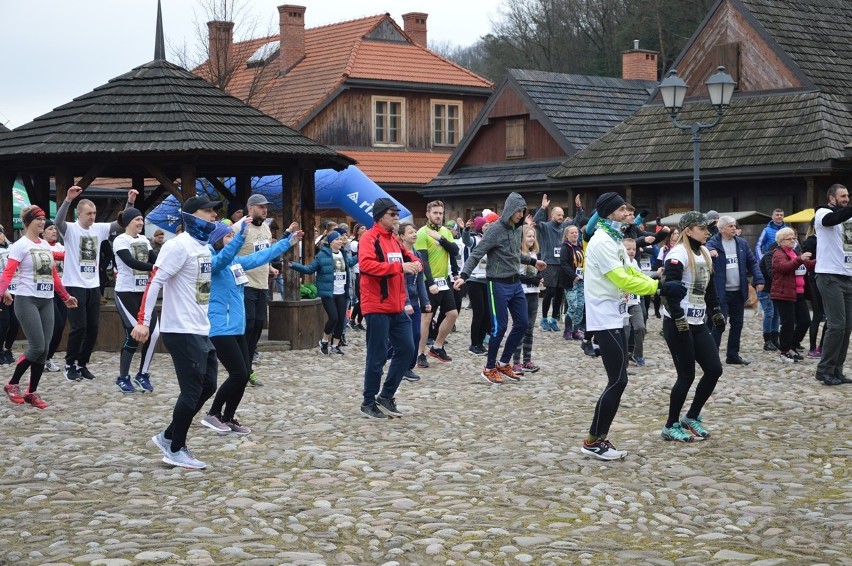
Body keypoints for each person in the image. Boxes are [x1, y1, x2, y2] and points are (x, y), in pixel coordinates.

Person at [133, 195, 226, 470]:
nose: (213, 216)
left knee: (208, 385)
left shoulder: (205, 247)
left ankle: (169, 435)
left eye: (214, 212)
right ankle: (175, 449)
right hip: (180, 328)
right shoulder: (177, 246)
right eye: (207, 211)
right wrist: (143, 321)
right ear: (191, 215)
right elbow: (156, 280)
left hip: (200, 327)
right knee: (191, 390)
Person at [200, 221, 303, 434]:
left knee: (244, 374)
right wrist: (239, 237)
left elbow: (261, 256)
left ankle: (228, 417)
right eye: (228, 236)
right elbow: (224, 257)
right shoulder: (213, 262)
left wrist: (288, 242)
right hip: (221, 329)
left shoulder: (236, 262)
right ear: (218, 240)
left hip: (237, 328)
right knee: (238, 373)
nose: (232, 239)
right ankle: (212, 414)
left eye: (232, 236)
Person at [579, 192, 658, 460]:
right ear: (610, 213)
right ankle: (592, 440)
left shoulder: (614, 239)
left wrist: (654, 277)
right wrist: (657, 287)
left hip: (617, 314)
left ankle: (600, 438)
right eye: (623, 210)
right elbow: (622, 280)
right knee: (618, 380)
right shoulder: (601, 241)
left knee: (619, 380)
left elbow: (631, 271)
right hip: (604, 316)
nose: (628, 214)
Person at [454, 192, 546, 384]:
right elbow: (477, 253)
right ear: (510, 210)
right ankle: (489, 368)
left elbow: (512, 255)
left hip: (515, 283)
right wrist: (463, 276)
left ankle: (503, 363)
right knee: (499, 327)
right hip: (497, 283)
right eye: (519, 211)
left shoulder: (516, 229)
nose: (521, 215)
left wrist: (532, 261)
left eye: (523, 211)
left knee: (522, 324)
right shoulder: (495, 230)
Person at [55, 185, 136, 381]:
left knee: (93, 328)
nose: (92, 217)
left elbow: (120, 223)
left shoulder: (99, 229)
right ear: (79, 213)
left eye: (94, 213)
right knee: (79, 327)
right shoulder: (71, 229)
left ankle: (82, 364)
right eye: (89, 213)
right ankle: (69, 364)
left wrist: (130, 202)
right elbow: (58, 221)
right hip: (74, 284)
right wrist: (68, 199)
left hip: (93, 285)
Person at [1, 206, 78, 409]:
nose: (42, 222)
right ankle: (12, 383)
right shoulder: (20, 245)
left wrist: (65, 296)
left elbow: (53, 275)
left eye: (44, 219)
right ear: (28, 222)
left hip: (46, 300)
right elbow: (8, 273)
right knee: (37, 347)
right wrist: (1, 292)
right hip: (27, 300)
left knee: (44, 351)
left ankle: (31, 392)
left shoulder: (45, 245)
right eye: (38, 219)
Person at [659, 211, 725, 442]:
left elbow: (710, 287)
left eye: (707, 228)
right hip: (679, 323)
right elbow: (668, 290)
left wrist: (715, 310)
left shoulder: (705, 252)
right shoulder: (677, 254)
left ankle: (691, 416)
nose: (708, 232)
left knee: (714, 369)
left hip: (698, 322)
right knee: (686, 375)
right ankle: (670, 425)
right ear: (688, 230)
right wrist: (677, 316)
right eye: (702, 228)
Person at [358, 198, 421, 418]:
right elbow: (366, 265)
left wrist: (415, 263)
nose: (396, 218)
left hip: (397, 306)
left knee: (407, 349)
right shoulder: (369, 238)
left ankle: (385, 396)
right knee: (377, 357)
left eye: (396, 214)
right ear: (381, 216)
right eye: (392, 214)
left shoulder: (394, 239)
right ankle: (368, 402)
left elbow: (408, 256)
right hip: (376, 306)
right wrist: (400, 267)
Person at [705, 215, 764, 365]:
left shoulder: (742, 244)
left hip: (738, 292)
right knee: (719, 323)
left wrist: (759, 279)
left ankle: (733, 355)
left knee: (737, 324)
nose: (734, 228)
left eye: (734, 226)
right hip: (721, 292)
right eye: (730, 226)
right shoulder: (714, 243)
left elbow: (752, 263)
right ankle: (711, 356)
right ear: (722, 228)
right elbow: (705, 249)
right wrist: (710, 253)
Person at [112, 208, 158, 393]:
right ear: (129, 221)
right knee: (135, 333)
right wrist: (156, 267)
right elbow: (130, 261)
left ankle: (143, 374)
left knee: (154, 334)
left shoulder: (144, 240)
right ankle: (123, 377)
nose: (140, 223)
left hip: (144, 293)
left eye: (142, 220)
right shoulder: (120, 240)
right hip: (126, 293)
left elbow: (155, 258)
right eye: (137, 219)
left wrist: (162, 264)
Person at [290, 230, 357, 355]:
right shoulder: (322, 255)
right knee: (334, 318)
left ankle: (335, 346)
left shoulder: (343, 254)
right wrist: (293, 265)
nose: (340, 241)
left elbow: (351, 263)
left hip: (342, 292)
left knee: (341, 319)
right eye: (337, 239)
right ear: (331, 242)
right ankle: (325, 340)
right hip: (328, 293)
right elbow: (309, 269)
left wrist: (362, 254)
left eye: (340, 239)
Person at [813, 184, 852, 386]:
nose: (846, 199)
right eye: (842, 196)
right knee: (836, 325)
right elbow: (832, 220)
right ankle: (824, 369)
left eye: (848, 196)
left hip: (848, 277)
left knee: (846, 327)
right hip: (829, 276)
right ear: (832, 198)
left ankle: (837, 370)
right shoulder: (822, 212)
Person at [415, 200, 459, 365]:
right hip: (428, 282)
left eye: (441, 213)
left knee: (452, 314)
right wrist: (431, 282)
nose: (438, 216)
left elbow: (454, 251)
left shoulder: (445, 232)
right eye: (435, 213)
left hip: (444, 281)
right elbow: (423, 261)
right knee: (426, 319)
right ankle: (420, 353)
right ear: (428, 214)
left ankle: (437, 346)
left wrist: (440, 238)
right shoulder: (422, 233)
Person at [533, 193, 584, 332]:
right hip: (549, 263)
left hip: (562, 264)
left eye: (562, 215)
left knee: (559, 292)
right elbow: (535, 222)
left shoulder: (565, 226)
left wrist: (579, 207)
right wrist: (543, 208)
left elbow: (578, 221)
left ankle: (554, 319)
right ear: (552, 215)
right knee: (549, 291)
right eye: (558, 215)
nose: (561, 217)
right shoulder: (546, 227)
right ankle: (544, 318)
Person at [771, 227, 815, 364]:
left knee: (805, 321)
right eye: (789, 238)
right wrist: (800, 259)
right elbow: (783, 267)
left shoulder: (794, 252)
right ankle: (784, 351)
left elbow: (808, 265)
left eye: (793, 238)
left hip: (799, 293)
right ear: (781, 241)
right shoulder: (778, 253)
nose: (792, 240)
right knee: (788, 323)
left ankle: (793, 345)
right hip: (784, 293)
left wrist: (821, 260)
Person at [397, 222, 430, 382]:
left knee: (416, 334)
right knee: (404, 337)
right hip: (403, 303)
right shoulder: (399, 255)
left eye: (415, 231)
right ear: (402, 236)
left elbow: (420, 281)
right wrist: (406, 302)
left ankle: (408, 367)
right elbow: (401, 281)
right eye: (411, 232)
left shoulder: (417, 254)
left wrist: (425, 301)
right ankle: (400, 365)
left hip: (415, 302)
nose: (415, 234)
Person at [511, 225, 543, 374]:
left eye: (533, 236)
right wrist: (534, 279)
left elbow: (538, 272)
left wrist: (540, 278)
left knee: (530, 328)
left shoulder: (535, 254)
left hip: (534, 293)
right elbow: (517, 275)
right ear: (522, 238)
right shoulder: (518, 254)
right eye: (529, 236)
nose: (532, 239)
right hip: (521, 293)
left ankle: (527, 360)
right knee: (521, 326)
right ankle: (516, 362)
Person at [462, 214, 495, 355]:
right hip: (474, 280)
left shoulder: (490, 240)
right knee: (479, 312)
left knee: (488, 314)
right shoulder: (475, 240)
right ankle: (474, 343)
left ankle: (481, 343)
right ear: (480, 227)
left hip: (487, 280)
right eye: (485, 225)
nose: (488, 226)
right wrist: (465, 229)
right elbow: (466, 240)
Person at [801, 222, 826, 358]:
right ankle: (812, 348)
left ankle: (822, 346)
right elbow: (806, 262)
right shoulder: (811, 241)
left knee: (829, 316)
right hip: (814, 279)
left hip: (829, 278)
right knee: (817, 314)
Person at [622, 238, 647, 366]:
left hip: (634, 300)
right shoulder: (620, 263)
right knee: (625, 331)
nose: (631, 251)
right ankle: (623, 356)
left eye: (633, 249)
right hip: (622, 302)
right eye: (628, 249)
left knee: (640, 327)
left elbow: (641, 277)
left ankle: (638, 354)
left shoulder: (635, 262)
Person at [560, 224, 585, 340]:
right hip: (570, 281)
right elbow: (564, 264)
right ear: (567, 235)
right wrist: (573, 276)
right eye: (572, 233)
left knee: (580, 305)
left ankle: (576, 330)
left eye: (576, 232)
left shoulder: (580, 246)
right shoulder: (565, 247)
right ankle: (567, 330)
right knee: (573, 305)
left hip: (581, 280)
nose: (575, 234)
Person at [0, 224, 19, 367]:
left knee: (15, 322)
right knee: (4, 322)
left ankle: (8, 349)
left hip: (16, 289)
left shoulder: (13, 247)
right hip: (2, 290)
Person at [347, 223, 367, 330]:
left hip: (365, 271)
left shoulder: (365, 241)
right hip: (357, 271)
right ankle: (352, 319)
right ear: (357, 230)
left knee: (364, 298)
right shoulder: (354, 243)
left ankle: (359, 321)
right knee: (361, 298)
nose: (365, 230)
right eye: (362, 228)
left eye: (365, 228)